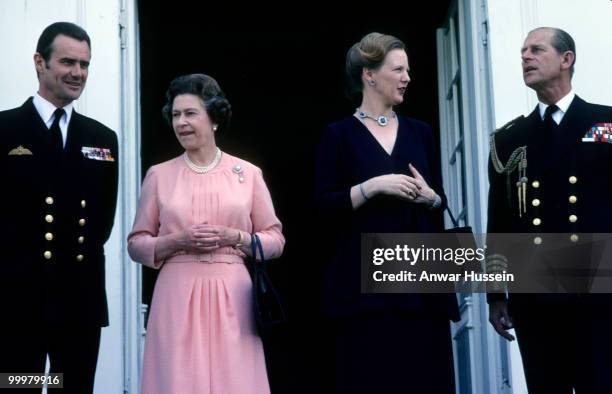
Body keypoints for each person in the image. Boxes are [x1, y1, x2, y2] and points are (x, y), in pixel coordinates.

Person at [315, 32, 459, 393]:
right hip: (364, 289)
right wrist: (372, 187)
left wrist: (431, 198)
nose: (407, 77)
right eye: (398, 69)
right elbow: (321, 207)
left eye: (407, 70)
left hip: (423, 282)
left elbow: (439, 200)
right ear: (369, 74)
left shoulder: (421, 132)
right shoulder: (338, 135)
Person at [128, 73, 284, 394]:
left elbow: (275, 240)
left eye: (190, 113)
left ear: (213, 118)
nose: (181, 122)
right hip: (176, 294)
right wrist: (177, 241)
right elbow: (136, 244)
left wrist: (235, 237)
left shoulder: (248, 174)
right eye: (175, 115)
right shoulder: (159, 175)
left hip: (234, 297)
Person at [487, 27, 612, 393]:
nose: (525, 56)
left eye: (537, 50)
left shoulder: (605, 123)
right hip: (536, 294)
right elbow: (500, 221)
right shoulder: (509, 138)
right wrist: (496, 294)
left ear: (566, 59)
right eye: (523, 50)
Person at [0, 22, 118, 393]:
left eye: (85, 64)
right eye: (68, 62)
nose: (78, 73)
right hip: (17, 304)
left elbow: (102, 223)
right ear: (40, 62)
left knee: (72, 387)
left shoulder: (102, 138)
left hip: (78, 304)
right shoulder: (6, 130)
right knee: (19, 386)